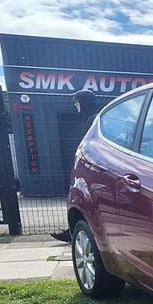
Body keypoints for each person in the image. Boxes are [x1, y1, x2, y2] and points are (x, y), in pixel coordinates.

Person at [51, 90, 101, 243]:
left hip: (93, 168)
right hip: (93, 167)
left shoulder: (92, 121)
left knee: (82, 200)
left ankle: (77, 232)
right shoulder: (93, 119)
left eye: (77, 103)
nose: (76, 107)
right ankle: (75, 231)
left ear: (82, 104)